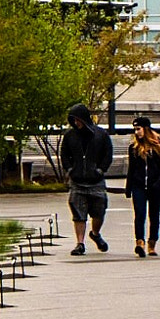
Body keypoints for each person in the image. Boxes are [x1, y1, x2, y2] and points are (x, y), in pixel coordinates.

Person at [60, 103, 112, 254]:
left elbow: (107, 154)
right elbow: (64, 155)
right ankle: (80, 243)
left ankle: (95, 234)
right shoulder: (70, 136)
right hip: (77, 181)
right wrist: (70, 169)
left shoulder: (101, 135)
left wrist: (101, 170)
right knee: (78, 214)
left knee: (99, 212)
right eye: (73, 120)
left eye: (78, 120)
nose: (76, 123)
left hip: (96, 181)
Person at [124, 116, 160, 257]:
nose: (137, 132)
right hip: (138, 186)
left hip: (155, 187)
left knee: (154, 215)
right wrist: (128, 187)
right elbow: (131, 169)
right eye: (135, 130)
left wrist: (158, 183)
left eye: (139, 129)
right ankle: (140, 243)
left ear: (146, 129)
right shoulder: (133, 148)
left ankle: (152, 243)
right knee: (139, 214)